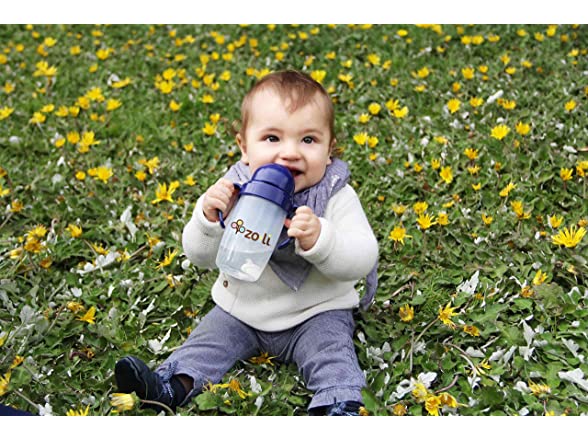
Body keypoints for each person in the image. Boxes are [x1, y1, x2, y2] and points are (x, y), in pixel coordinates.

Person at [115, 70, 379, 416]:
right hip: (241, 311)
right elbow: (200, 256)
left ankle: (338, 403)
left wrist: (323, 240)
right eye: (272, 138)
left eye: (309, 140)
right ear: (244, 147)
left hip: (316, 311)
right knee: (206, 344)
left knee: (331, 353)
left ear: (330, 151)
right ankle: (169, 387)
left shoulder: (336, 195)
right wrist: (209, 220)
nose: (290, 153)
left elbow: (363, 256)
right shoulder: (234, 190)